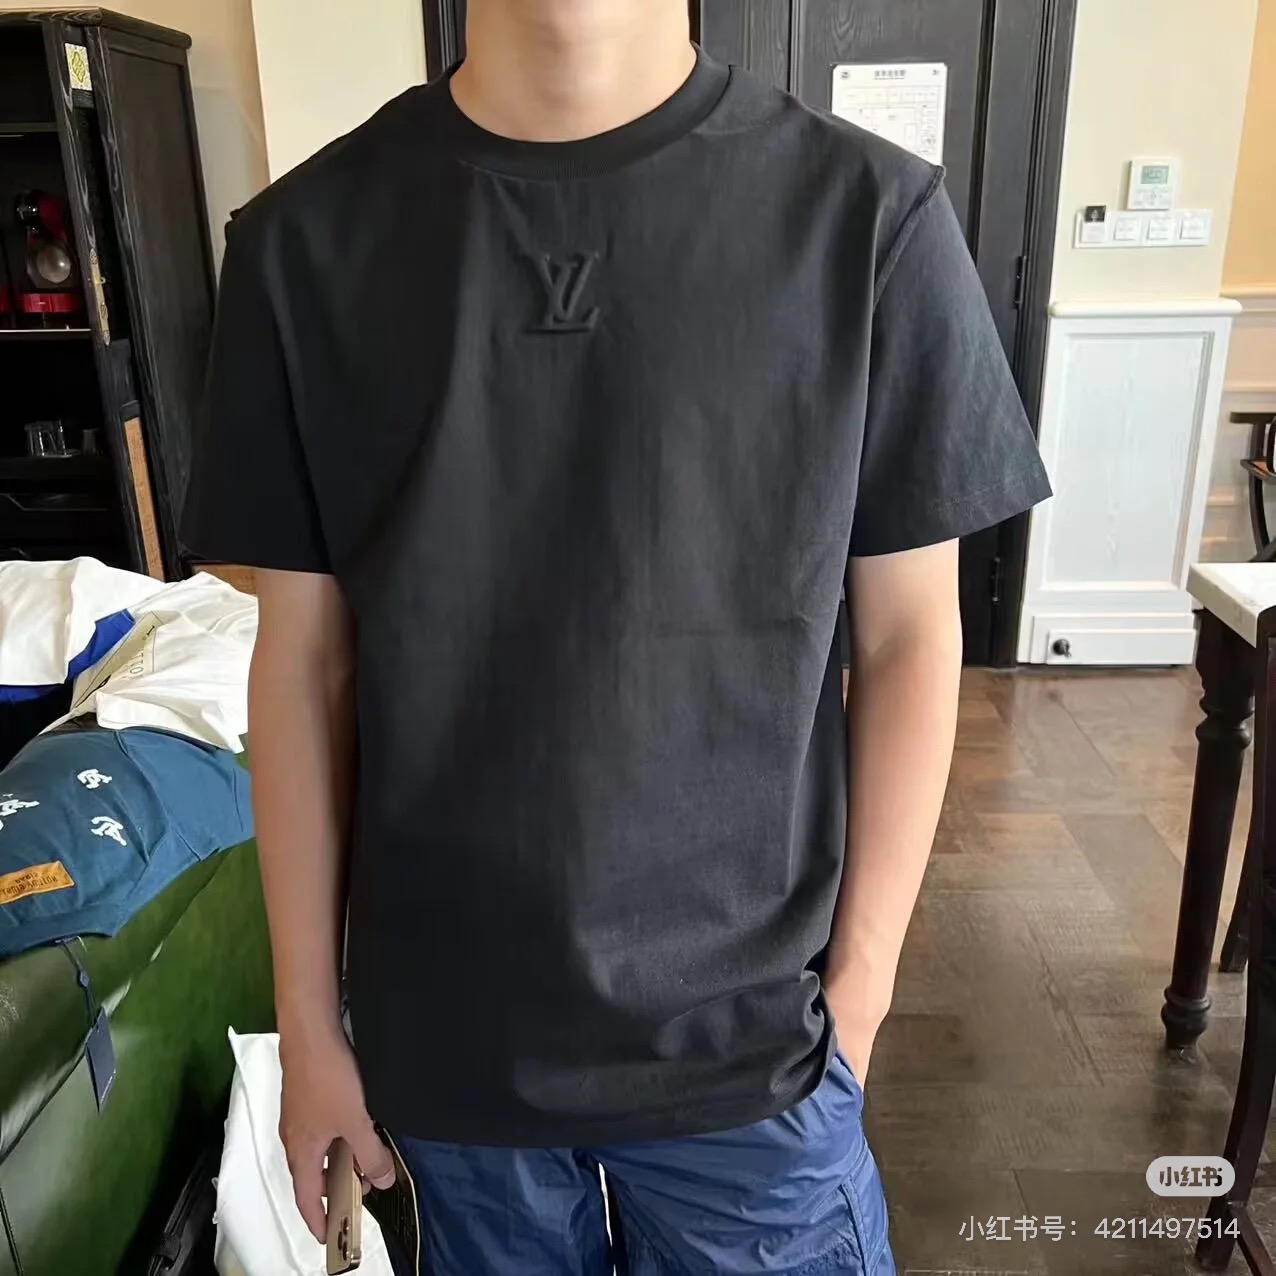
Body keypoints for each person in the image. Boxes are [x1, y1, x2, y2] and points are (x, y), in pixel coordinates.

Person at [183, 1, 1051, 1271]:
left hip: (756, 1054)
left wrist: (857, 1002)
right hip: (450, 1052)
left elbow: (911, 636)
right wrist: (308, 1024)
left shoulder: (869, 219)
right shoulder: (302, 246)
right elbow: (303, 664)